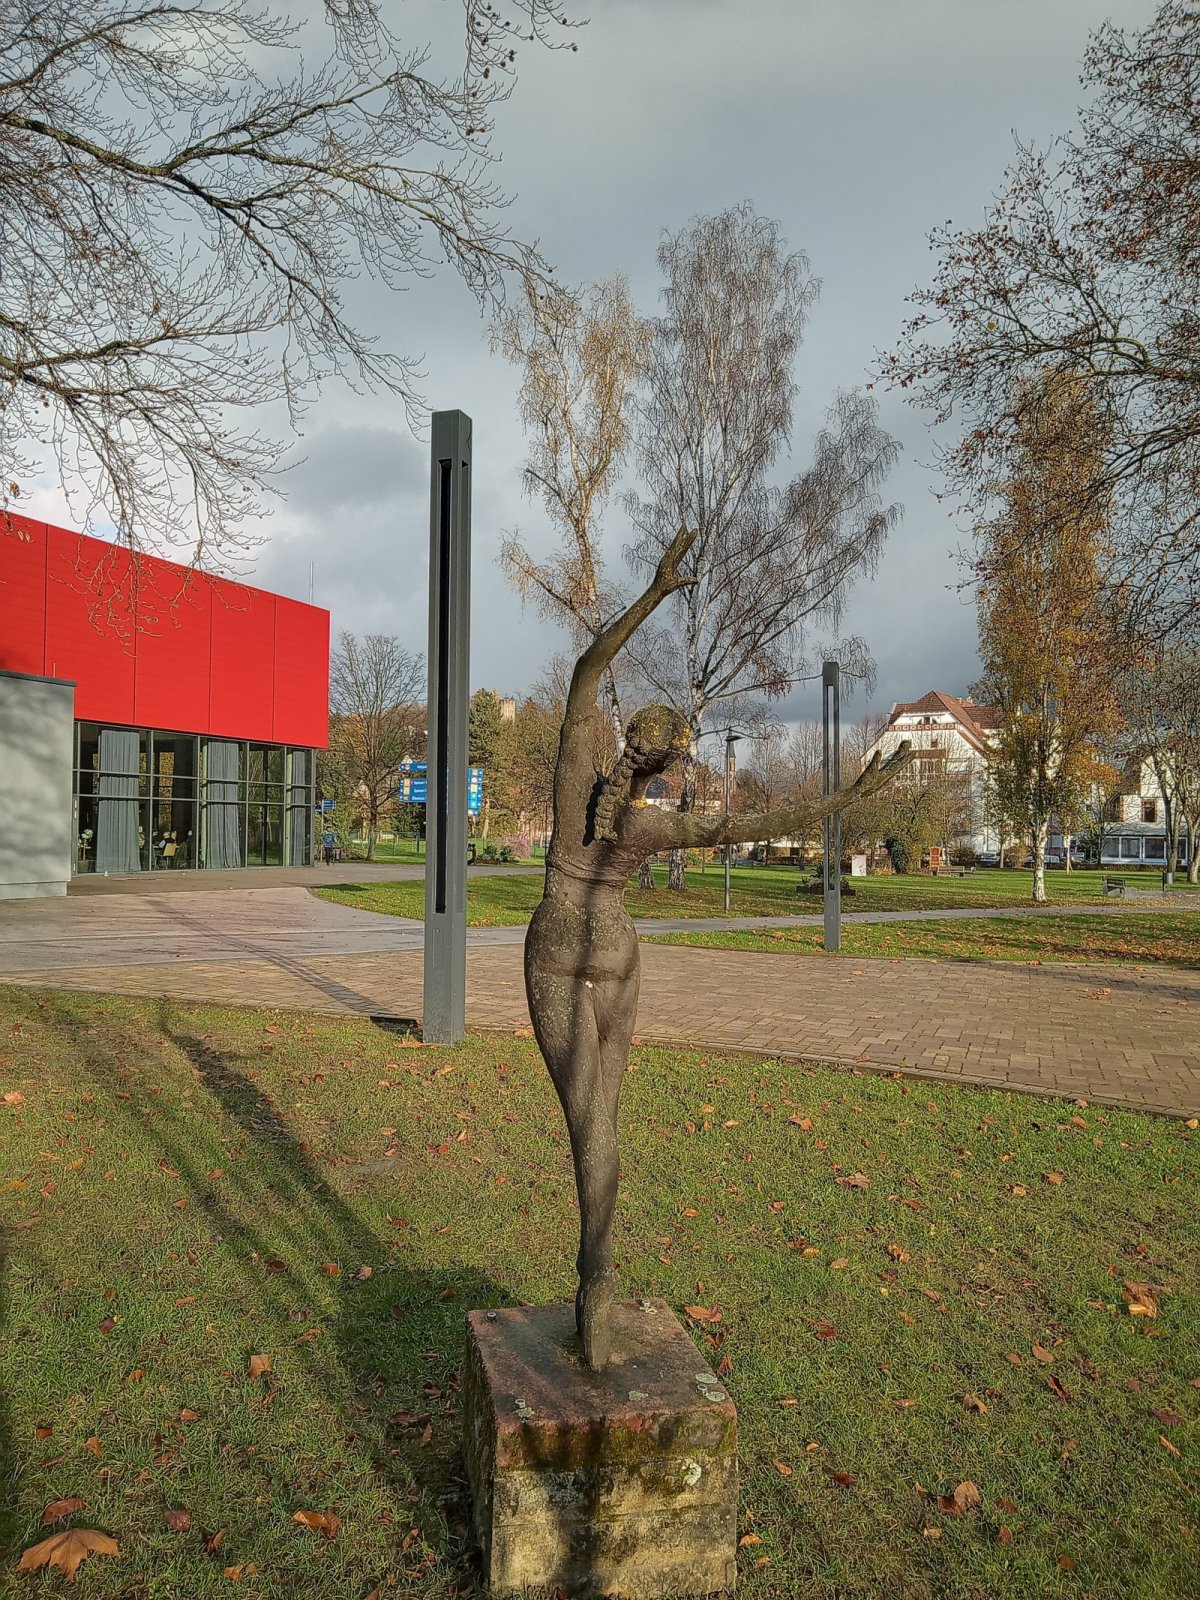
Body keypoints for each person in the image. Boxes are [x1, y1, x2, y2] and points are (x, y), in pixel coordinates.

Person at [524, 526, 912, 1368]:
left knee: (593, 1128)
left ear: (628, 740)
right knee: (602, 1126)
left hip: (561, 949)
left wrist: (653, 594)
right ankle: (597, 1281)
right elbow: (760, 821)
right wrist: (847, 797)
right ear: (665, 765)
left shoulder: (577, 778)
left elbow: (588, 668)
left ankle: (596, 1283)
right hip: (612, 957)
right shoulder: (648, 823)